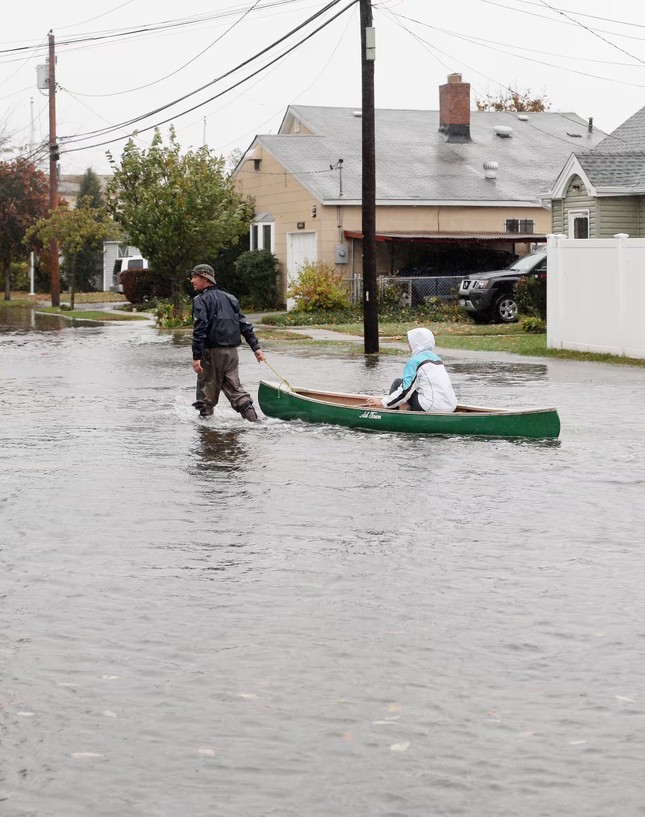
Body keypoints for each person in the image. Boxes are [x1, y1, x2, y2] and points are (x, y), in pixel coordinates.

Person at [190, 263, 266, 422]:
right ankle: (256, 423)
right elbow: (244, 324)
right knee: (236, 391)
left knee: (205, 396)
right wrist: (256, 348)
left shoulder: (200, 300)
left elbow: (200, 328)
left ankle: (206, 435)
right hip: (232, 354)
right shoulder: (231, 298)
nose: (192, 280)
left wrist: (196, 356)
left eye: (195, 276)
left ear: (205, 277)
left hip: (210, 353)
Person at [365, 327, 457, 413]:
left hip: (432, 406)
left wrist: (382, 402)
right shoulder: (437, 359)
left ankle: (392, 415)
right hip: (451, 405)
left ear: (416, 344)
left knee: (398, 383)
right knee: (417, 387)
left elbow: (405, 391)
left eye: (410, 342)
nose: (408, 345)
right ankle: (411, 410)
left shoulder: (415, 361)